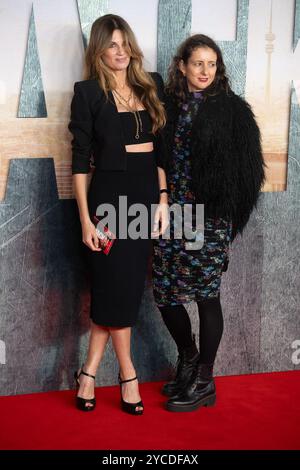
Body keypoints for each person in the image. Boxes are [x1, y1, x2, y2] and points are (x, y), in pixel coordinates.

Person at [152, 34, 265, 412]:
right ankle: (188, 359)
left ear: (218, 69)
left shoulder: (233, 111)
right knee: (165, 292)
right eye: (197, 63)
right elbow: (157, 160)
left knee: (205, 294)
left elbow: (249, 174)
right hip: (172, 214)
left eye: (211, 64)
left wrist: (224, 221)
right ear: (181, 66)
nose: (204, 71)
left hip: (209, 218)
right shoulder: (166, 106)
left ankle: (204, 380)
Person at [68, 14, 168, 414]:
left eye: (125, 42)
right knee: (115, 283)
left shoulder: (152, 84)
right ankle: (128, 373)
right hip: (108, 198)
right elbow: (78, 161)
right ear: (98, 50)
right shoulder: (88, 92)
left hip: (145, 195)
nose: (120, 50)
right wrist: (85, 219)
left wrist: (163, 200)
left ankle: (89, 371)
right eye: (111, 44)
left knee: (121, 286)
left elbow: (160, 152)